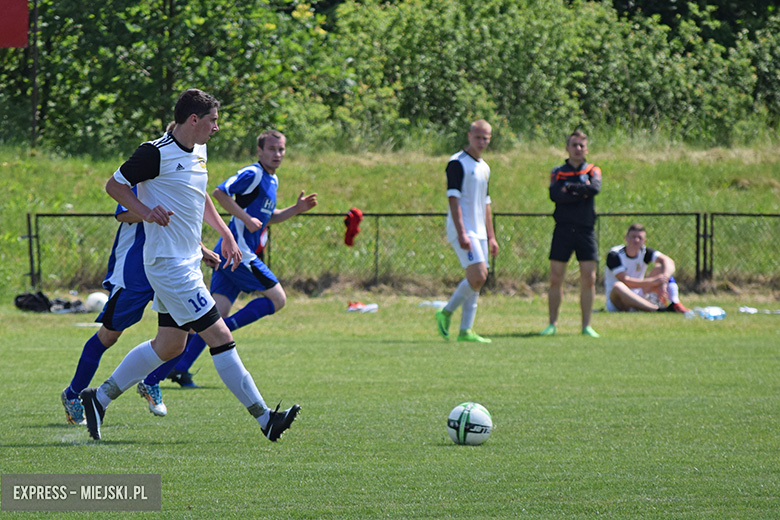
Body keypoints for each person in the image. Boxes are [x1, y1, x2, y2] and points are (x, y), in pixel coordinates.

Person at [80, 88, 300, 442]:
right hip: (169, 267)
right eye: (213, 120)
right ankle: (265, 419)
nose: (217, 127)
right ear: (194, 119)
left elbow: (198, 197)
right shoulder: (155, 153)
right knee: (220, 336)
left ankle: (99, 398)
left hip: (186, 263)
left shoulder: (199, 151)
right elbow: (114, 186)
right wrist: (146, 211)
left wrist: (225, 235)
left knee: (170, 346)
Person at [168, 129, 317, 386]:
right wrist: (245, 218)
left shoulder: (273, 179)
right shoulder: (253, 173)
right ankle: (224, 334)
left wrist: (296, 209)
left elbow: (267, 219)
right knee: (278, 299)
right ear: (260, 151)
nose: (277, 154)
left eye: (281, 150)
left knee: (212, 316)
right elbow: (219, 192)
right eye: (271, 149)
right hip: (240, 253)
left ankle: (178, 367)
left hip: (231, 256)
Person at [60, 189, 219, 424]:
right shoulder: (143, 173)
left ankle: (151, 382)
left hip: (169, 268)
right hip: (134, 271)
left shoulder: (178, 176)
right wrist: (150, 213)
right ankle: (73, 395)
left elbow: (180, 222)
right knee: (109, 336)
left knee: (192, 330)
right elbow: (123, 214)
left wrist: (202, 249)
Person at [435, 119, 499, 343]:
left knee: (477, 280)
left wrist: (491, 236)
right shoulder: (457, 163)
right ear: (469, 136)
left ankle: (465, 331)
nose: (482, 142)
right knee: (478, 275)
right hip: (464, 229)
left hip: (480, 231)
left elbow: (486, 204)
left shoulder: (484, 167)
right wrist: (462, 232)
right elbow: (453, 198)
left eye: (486, 138)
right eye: (478, 137)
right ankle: (445, 313)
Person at [541, 130, 602, 338]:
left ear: (586, 148)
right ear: (567, 148)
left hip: (586, 230)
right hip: (563, 230)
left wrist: (570, 189)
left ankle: (586, 326)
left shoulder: (593, 170)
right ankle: (552, 324)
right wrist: (579, 191)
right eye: (574, 145)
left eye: (581, 145)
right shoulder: (557, 171)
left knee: (589, 278)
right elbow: (554, 195)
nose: (578, 149)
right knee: (556, 277)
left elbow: (594, 189)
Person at [604, 223, 691, 313]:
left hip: (640, 294)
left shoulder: (644, 252)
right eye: (633, 237)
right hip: (618, 300)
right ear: (626, 238)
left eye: (640, 238)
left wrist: (663, 282)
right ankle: (657, 309)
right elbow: (626, 281)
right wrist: (654, 281)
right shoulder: (614, 255)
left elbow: (669, 262)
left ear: (644, 241)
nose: (636, 240)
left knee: (661, 268)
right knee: (618, 286)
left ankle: (675, 303)